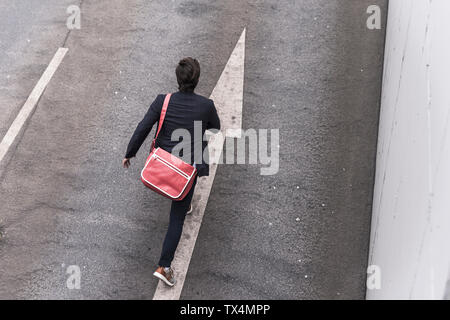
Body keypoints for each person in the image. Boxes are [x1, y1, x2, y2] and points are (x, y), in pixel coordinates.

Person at [122, 57, 220, 286]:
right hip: (185, 171)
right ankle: (164, 266)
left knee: (180, 205)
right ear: (197, 80)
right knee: (177, 218)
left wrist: (130, 152)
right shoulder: (206, 106)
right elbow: (215, 127)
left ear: (178, 79)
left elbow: (143, 127)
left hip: (162, 163)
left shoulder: (162, 101)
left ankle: (182, 202)